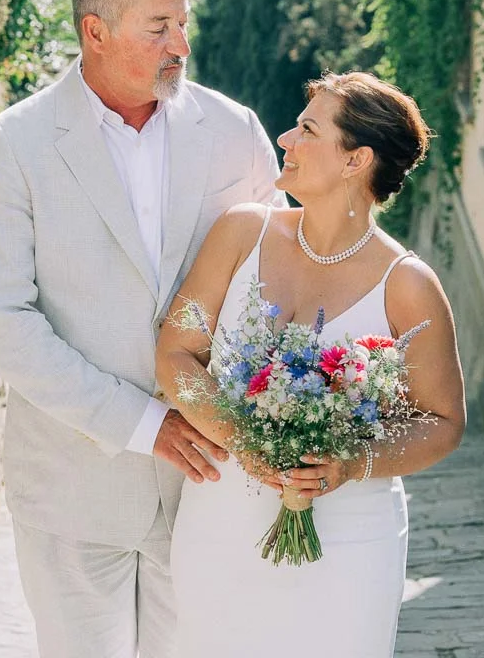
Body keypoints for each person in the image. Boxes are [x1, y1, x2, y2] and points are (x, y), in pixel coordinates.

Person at [0, 0, 283, 658]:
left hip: (213, 490)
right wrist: (144, 424)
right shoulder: (15, 144)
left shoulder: (235, 132)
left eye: (183, 22)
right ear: (95, 32)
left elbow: (277, 284)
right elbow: (0, 319)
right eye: (159, 27)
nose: (182, 44)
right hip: (73, 488)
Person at [158, 71, 467, 658]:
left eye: (307, 129)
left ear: (356, 161)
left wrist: (353, 462)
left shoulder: (407, 286)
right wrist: (242, 436)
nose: (284, 139)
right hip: (220, 522)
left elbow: (444, 420)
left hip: (351, 539)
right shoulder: (239, 233)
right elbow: (176, 354)